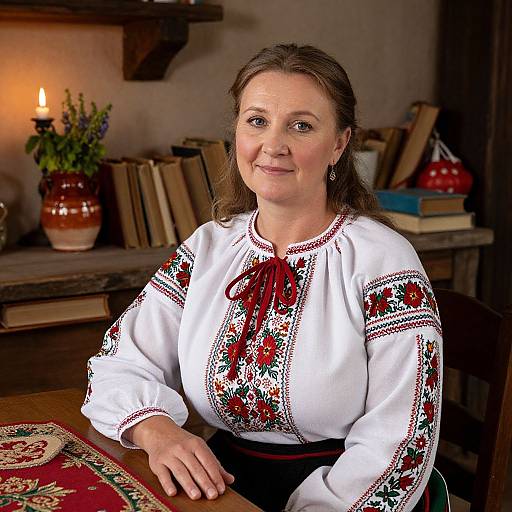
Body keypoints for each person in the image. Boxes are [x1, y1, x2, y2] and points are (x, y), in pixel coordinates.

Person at [82, 43, 446, 511]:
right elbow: (117, 365)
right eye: (257, 121)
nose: (273, 145)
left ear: (339, 143)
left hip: (350, 493)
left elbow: (403, 437)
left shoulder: (384, 262)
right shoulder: (208, 247)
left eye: (301, 125)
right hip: (224, 485)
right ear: (236, 133)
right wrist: (158, 431)